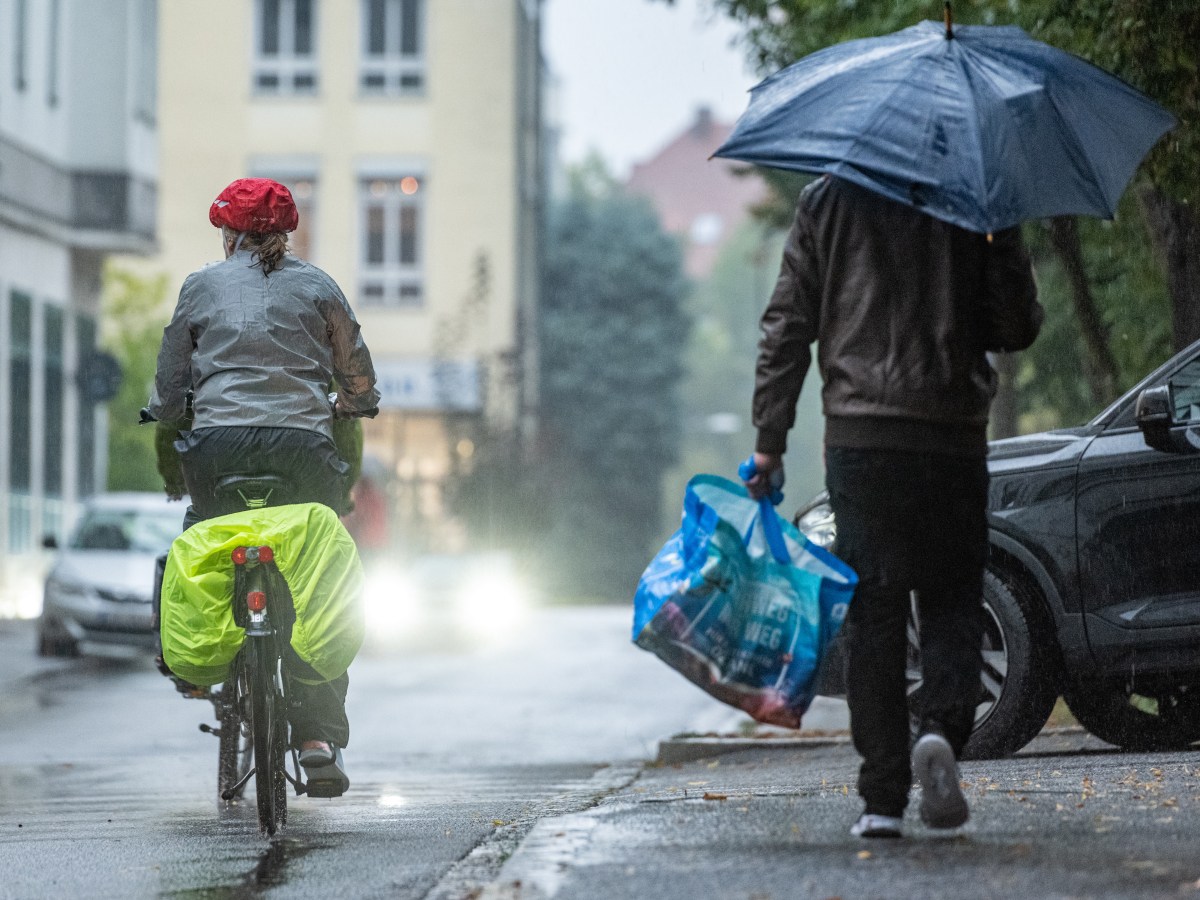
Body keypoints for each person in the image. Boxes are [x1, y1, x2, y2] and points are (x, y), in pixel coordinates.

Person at [743, 175, 1042, 839]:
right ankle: (940, 731)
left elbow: (788, 326)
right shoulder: (973, 196)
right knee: (952, 600)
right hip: (951, 436)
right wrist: (1003, 240)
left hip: (863, 440)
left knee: (874, 608)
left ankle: (882, 797)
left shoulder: (828, 200)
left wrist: (769, 443)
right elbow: (1016, 327)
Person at [149, 177, 380, 797]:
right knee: (317, 579)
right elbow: (354, 363)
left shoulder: (201, 286)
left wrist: (165, 411)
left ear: (228, 233)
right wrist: (357, 402)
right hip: (302, 452)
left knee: (205, 539)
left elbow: (172, 378)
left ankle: (206, 665)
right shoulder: (318, 285)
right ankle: (314, 739)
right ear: (286, 232)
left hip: (218, 452)